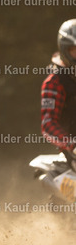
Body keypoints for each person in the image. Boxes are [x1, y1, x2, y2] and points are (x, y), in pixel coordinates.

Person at [41, 19, 76, 170]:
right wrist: (71, 145)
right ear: (64, 49)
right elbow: (48, 124)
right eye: (74, 49)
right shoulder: (54, 82)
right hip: (72, 155)